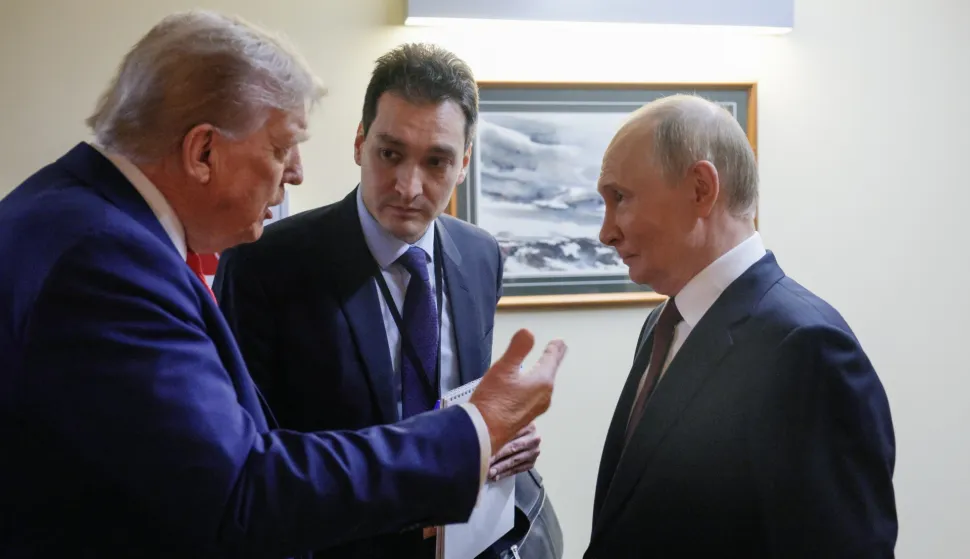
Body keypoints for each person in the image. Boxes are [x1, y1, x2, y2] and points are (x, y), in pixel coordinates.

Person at [0, 11, 568, 559]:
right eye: (279, 147)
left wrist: (491, 433)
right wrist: (470, 435)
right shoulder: (106, 260)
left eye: (438, 161)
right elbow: (239, 489)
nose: (296, 171)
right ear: (203, 151)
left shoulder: (78, 220)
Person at [212, 43, 563, 559]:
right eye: (390, 153)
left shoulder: (481, 255)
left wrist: (502, 436)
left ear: (464, 164)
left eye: (437, 161)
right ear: (359, 143)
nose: (408, 186)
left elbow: (461, 398)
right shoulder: (265, 263)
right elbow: (249, 460)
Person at [586, 94, 897, 558]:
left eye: (621, 198)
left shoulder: (807, 348)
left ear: (700, 189)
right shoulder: (664, 323)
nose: (606, 231)